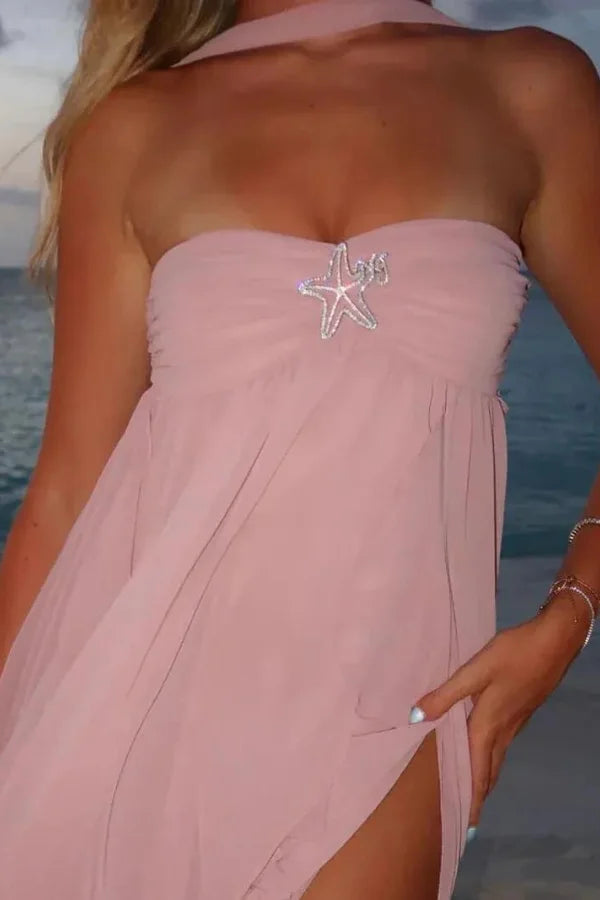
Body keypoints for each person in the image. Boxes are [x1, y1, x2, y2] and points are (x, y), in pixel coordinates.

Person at [1, 0, 599, 896]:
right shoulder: (135, 124)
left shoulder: (528, 86)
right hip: (137, 705)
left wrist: (570, 613)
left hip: (395, 708)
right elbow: (65, 491)